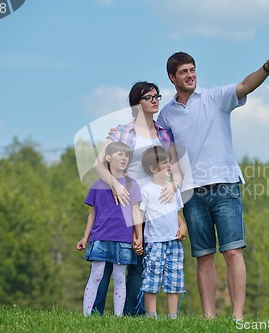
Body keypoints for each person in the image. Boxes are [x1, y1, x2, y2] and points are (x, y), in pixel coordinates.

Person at [156, 49, 269, 319]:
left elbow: (245, 85)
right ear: (172, 78)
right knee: (203, 256)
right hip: (191, 192)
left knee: (233, 252)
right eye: (183, 72)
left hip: (225, 185)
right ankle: (209, 319)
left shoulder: (215, 98)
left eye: (192, 70)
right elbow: (162, 153)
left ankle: (237, 317)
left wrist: (267, 68)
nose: (190, 75)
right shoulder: (166, 115)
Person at [95, 81, 184, 316]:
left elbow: (176, 171)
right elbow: (99, 165)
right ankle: (95, 312)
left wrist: (174, 186)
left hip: (155, 208)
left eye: (157, 96)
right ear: (137, 103)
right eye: (148, 97)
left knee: (142, 263)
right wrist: (114, 184)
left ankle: (134, 315)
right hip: (124, 204)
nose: (155, 100)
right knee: (111, 261)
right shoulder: (122, 132)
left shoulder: (165, 135)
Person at [76, 141, 143, 317]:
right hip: (99, 237)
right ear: (108, 158)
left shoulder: (132, 184)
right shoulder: (97, 184)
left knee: (120, 278)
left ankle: (118, 317)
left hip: (123, 239)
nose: (124, 158)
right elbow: (92, 213)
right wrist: (85, 236)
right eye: (119, 154)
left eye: (127, 155)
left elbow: (136, 212)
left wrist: (139, 235)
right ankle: (87, 315)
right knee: (96, 275)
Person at [139, 145, 187, 319]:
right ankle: (151, 315)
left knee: (174, 279)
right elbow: (140, 215)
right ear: (152, 168)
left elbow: (177, 213)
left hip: (174, 241)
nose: (169, 166)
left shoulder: (173, 190)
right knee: (152, 278)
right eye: (164, 163)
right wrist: (137, 236)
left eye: (169, 163)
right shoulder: (146, 190)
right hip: (155, 241)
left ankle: (172, 316)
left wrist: (183, 226)